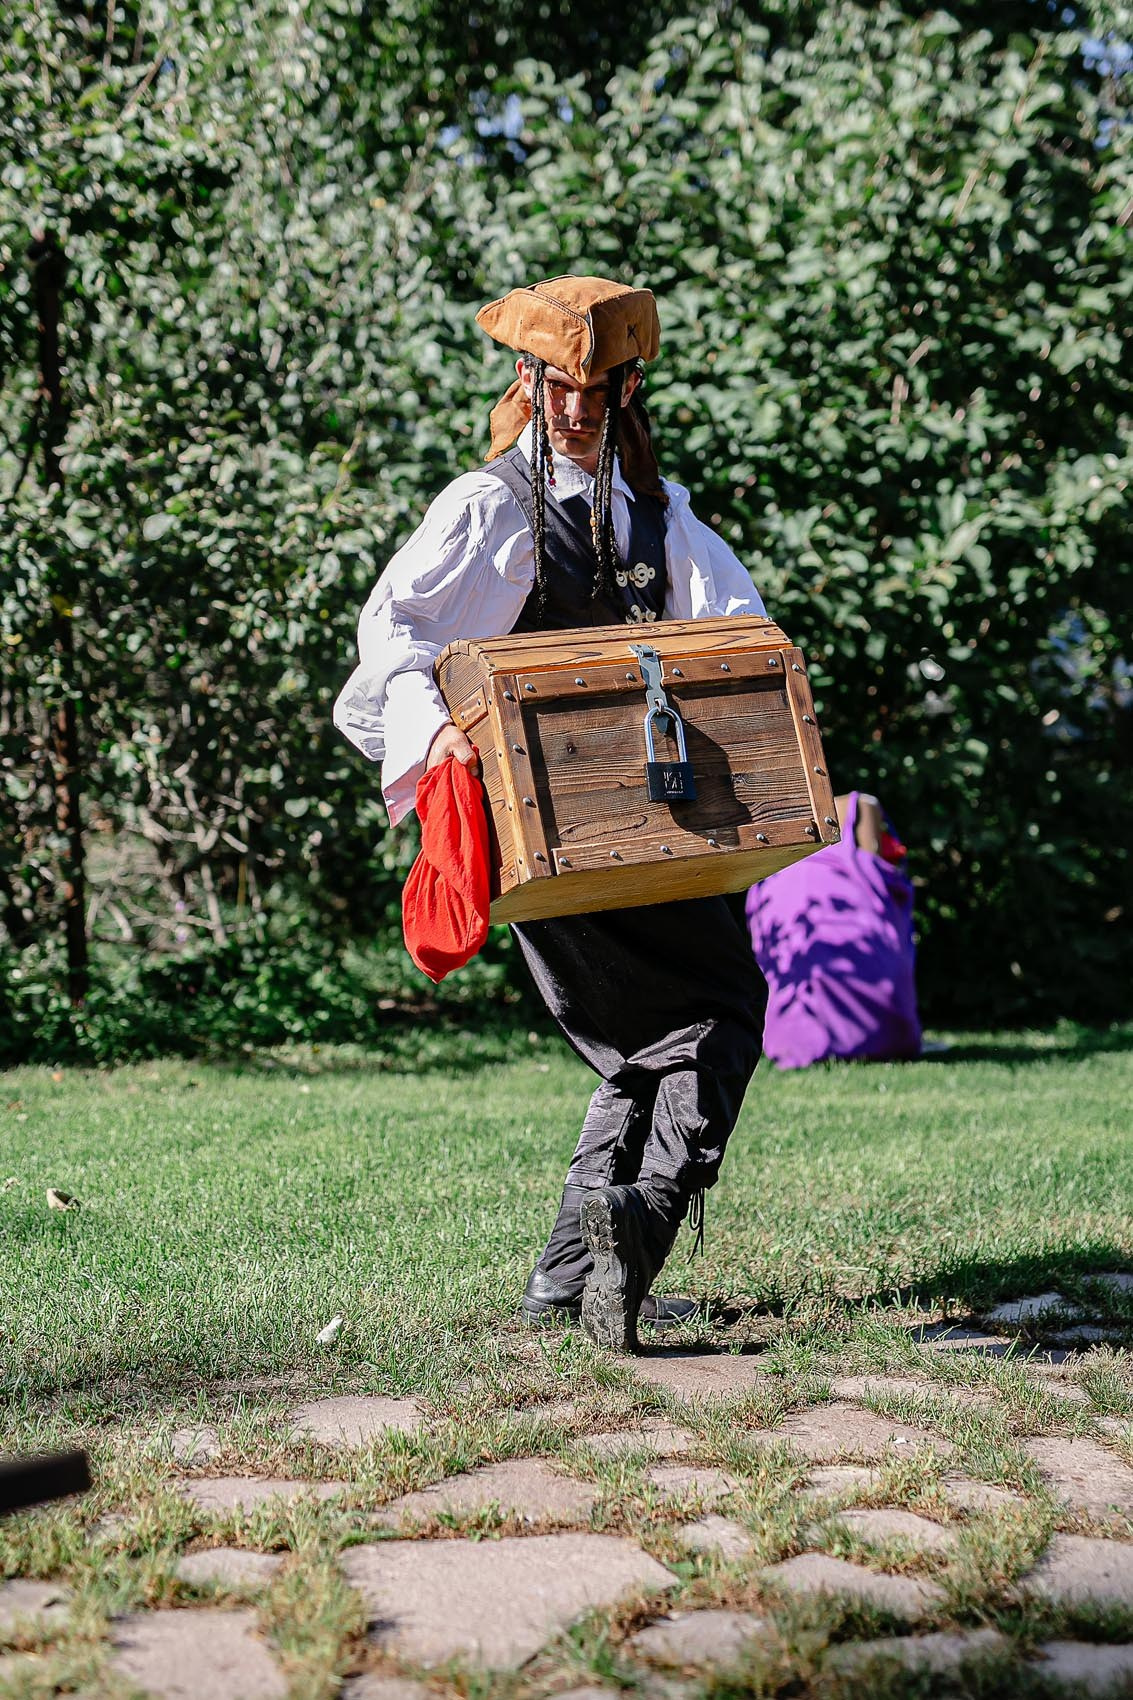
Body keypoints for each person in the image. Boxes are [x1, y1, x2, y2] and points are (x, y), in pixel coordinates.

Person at [334, 275, 768, 1353]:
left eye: (595, 388)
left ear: (624, 390)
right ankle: (642, 1214)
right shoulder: (490, 506)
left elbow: (741, 632)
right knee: (720, 1007)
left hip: (653, 827)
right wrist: (434, 726)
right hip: (544, 831)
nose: (574, 407)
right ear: (526, 382)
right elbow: (392, 634)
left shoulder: (659, 517)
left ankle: (563, 1281)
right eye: (555, 386)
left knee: (637, 1046)